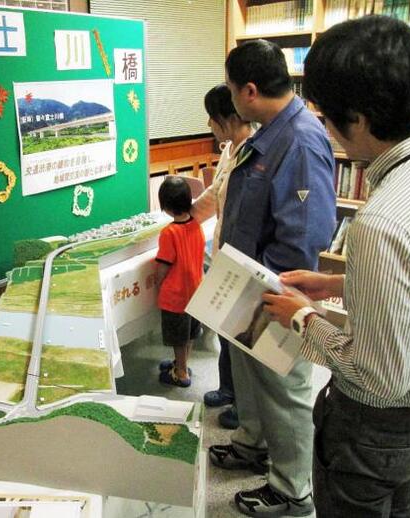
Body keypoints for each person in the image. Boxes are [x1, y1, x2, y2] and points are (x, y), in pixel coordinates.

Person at [262, 15, 410, 517]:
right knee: (396, 504)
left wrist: (303, 318)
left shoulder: (384, 221)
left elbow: (379, 377)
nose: (325, 131)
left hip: (377, 424)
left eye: (327, 118)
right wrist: (336, 282)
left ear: (362, 119)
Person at [207, 39, 337, 517]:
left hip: (278, 291)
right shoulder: (267, 132)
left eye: (230, 88)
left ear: (249, 90)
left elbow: (307, 233)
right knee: (251, 377)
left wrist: (273, 290)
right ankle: (253, 443)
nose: (230, 97)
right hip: (247, 282)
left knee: (284, 391)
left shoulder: (300, 139)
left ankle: (292, 489)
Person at [191, 83, 255, 428]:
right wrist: (186, 219)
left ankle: (244, 405)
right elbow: (215, 195)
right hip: (222, 253)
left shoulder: (255, 150)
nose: (209, 126)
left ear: (225, 119)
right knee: (224, 329)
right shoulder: (230, 149)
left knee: (241, 337)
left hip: (243, 260)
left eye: (211, 120)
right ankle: (228, 389)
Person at [155, 176, 205, 387]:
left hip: (175, 297)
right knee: (190, 333)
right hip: (196, 292)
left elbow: (164, 265)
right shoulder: (197, 226)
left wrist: (158, 283)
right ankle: (182, 363)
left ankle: (181, 373)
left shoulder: (169, 233)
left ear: (165, 206)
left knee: (178, 338)